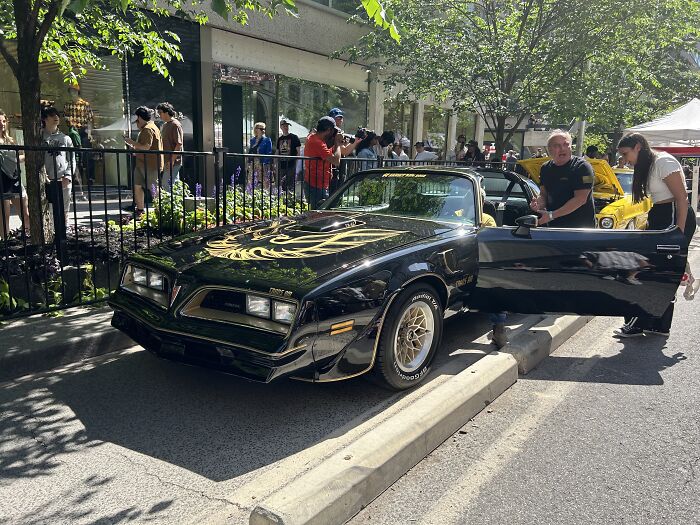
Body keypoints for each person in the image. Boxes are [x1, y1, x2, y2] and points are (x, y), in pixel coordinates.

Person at [613, 132, 696, 338]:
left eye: (625, 154)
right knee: (660, 273)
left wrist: (678, 233)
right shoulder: (648, 165)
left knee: (649, 271)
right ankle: (658, 324)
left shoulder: (663, 161)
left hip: (675, 216)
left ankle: (639, 322)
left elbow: (682, 199)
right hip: (661, 215)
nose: (624, 160)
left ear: (638, 147)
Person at [529, 129, 595, 228]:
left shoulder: (583, 167)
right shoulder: (545, 168)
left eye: (566, 144)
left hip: (580, 229)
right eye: (557, 146)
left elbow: (581, 199)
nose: (562, 148)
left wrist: (551, 215)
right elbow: (543, 194)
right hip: (554, 227)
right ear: (549, 149)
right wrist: (538, 204)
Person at [124, 106, 163, 217]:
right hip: (142, 163)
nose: (136, 122)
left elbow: (146, 147)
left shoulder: (148, 129)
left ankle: (160, 211)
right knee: (137, 185)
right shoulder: (150, 127)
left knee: (153, 188)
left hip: (150, 164)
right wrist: (135, 148)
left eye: (137, 119)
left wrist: (131, 142)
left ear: (140, 118)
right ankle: (140, 210)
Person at [42, 106, 75, 227]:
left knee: (64, 209)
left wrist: (68, 176)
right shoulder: (40, 138)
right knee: (49, 210)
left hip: (63, 180)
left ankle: (64, 232)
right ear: (45, 119)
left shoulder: (65, 138)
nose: (56, 117)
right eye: (52, 115)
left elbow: (71, 159)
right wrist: (43, 175)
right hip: (47, 180)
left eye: (57, 115)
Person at [0, 109, 29, 239]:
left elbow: (16, 159)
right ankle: (5, 246)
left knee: (26, 214)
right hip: (2, 180)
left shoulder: (10, 140)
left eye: (4, 121)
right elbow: (14, 159)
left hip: (15, 179)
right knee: (4, 219)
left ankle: (26, 237)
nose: (2, 124)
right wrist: (25, 156)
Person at [304, 116, 343, 209]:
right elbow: (336, 161)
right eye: (333, 131)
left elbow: (326, 153)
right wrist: (337, 143)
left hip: (316, 183)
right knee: (319, 215)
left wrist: (334, 142)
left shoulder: (314, 138)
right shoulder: (317, 142)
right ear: (329, 130)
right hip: (316, 185)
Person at [156, 102, 184, 189]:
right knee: (175, 186)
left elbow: (178, 144)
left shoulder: (175, 125)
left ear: (167, 112)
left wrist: (172, 161)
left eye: (160, 113)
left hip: (173, 161)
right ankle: (179, 202)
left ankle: (170, 202)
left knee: (166, 185)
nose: (159, 115)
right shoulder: (165, 125)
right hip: (167, 160)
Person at [276, 118, 301, 191]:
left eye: (287, 126)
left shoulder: (294, 137)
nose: (286, 127)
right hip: (281, 164)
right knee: (282, 183)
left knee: (290, 183)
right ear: (281, 127)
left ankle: (290, 199)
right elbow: (277, 151)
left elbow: (298, 152)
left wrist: (296, 162)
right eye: (284, 126)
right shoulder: (279, 139)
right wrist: (275, 162)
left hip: (291, 164)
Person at [248, 121, 273, 186]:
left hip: (263, 163)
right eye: (261, 129)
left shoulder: (267, 140)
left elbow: (269, 152)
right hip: (253, 163)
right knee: (251, 182)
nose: (263, 130)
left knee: (265, 183)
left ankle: (266, 195)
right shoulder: (252, 140)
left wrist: (264, 163)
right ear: (256, 129)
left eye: (264, 129)